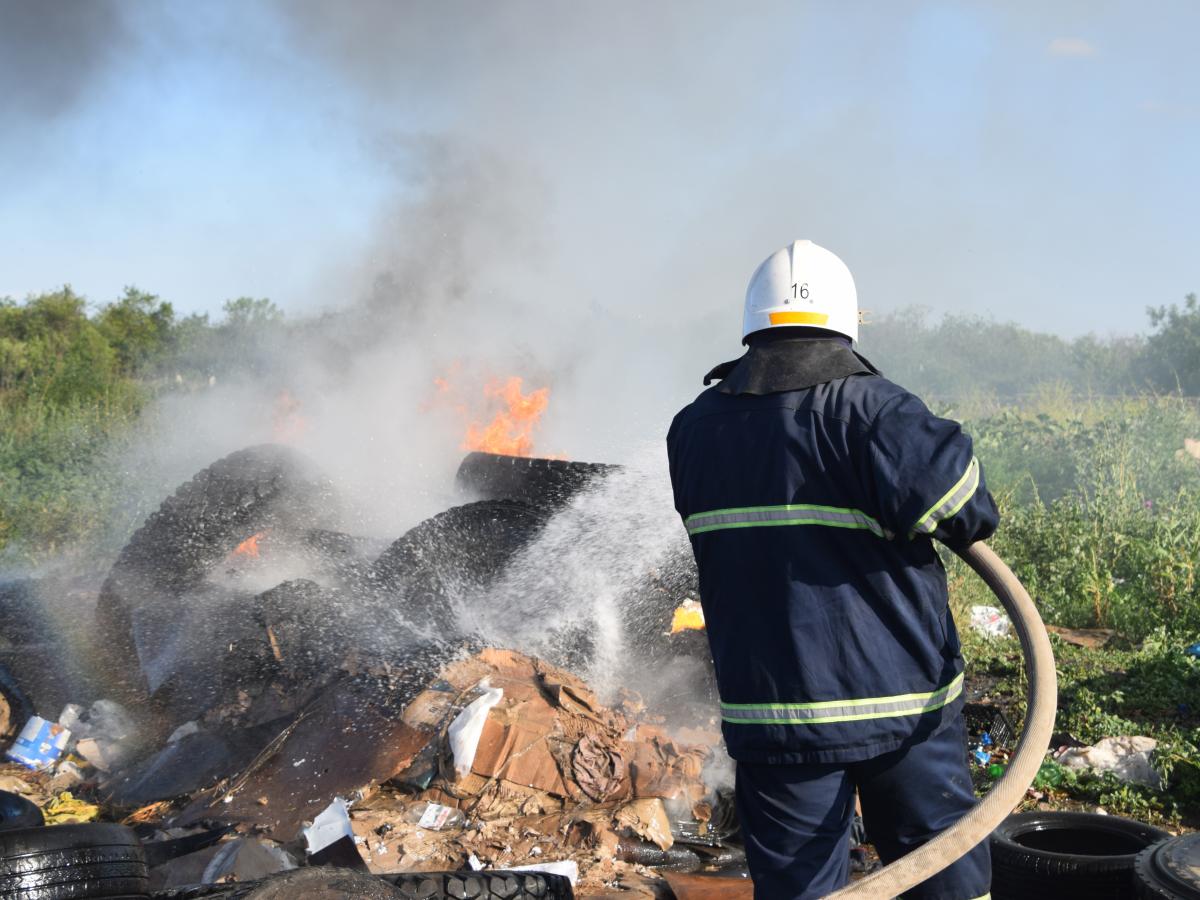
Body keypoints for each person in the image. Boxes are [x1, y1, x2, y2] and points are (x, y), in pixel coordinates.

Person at [666, 240, 997, 899]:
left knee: (801, 889)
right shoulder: (876, 412)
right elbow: (969, 511)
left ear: (753, 323)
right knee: (943, 874)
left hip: (773, 717)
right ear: (847, 321)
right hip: (902, 708)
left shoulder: (694, 430)